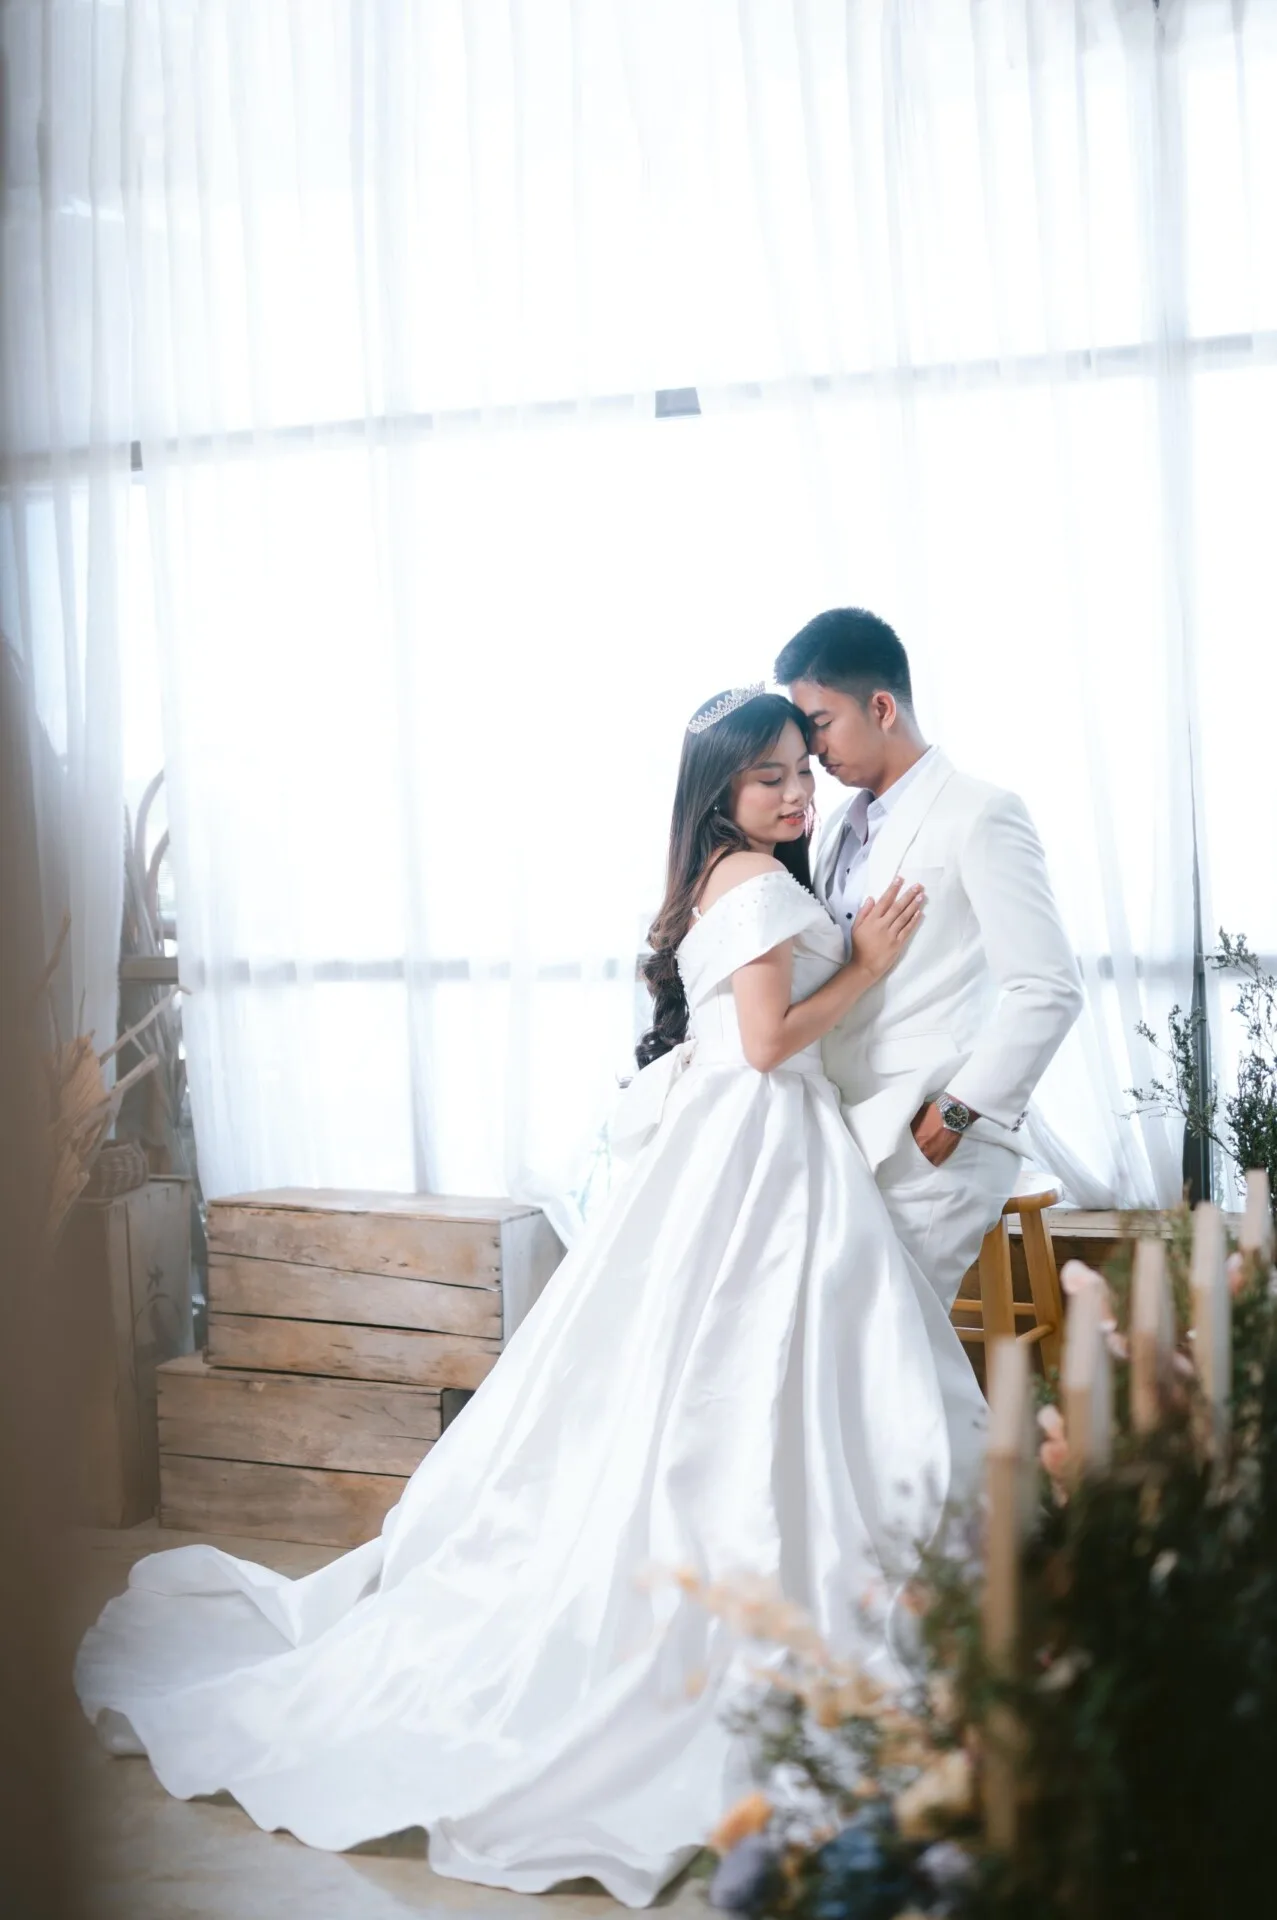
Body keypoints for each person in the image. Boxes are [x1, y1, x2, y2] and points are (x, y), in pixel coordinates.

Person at [75, 689, 986, 1908]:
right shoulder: (751, 883)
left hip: (752, 1144)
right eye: (767, 775)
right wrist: (866, 966)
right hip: (762, 1137)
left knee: (730, 1376)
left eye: (798, 771)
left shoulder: (730, 877)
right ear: (721, 790)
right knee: (754, 1372)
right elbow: (769, 1045)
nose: (793, 792)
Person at [776, 609, 1084, 1313]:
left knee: (896, 1344)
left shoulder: (981, 813)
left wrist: (956, 1113)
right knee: (843, 1345)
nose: (812, 748)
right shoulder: (835, 829)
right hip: (845, 1130)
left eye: (821, 722)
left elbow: (1048, 988)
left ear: (881, 707)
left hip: (933, 1134)